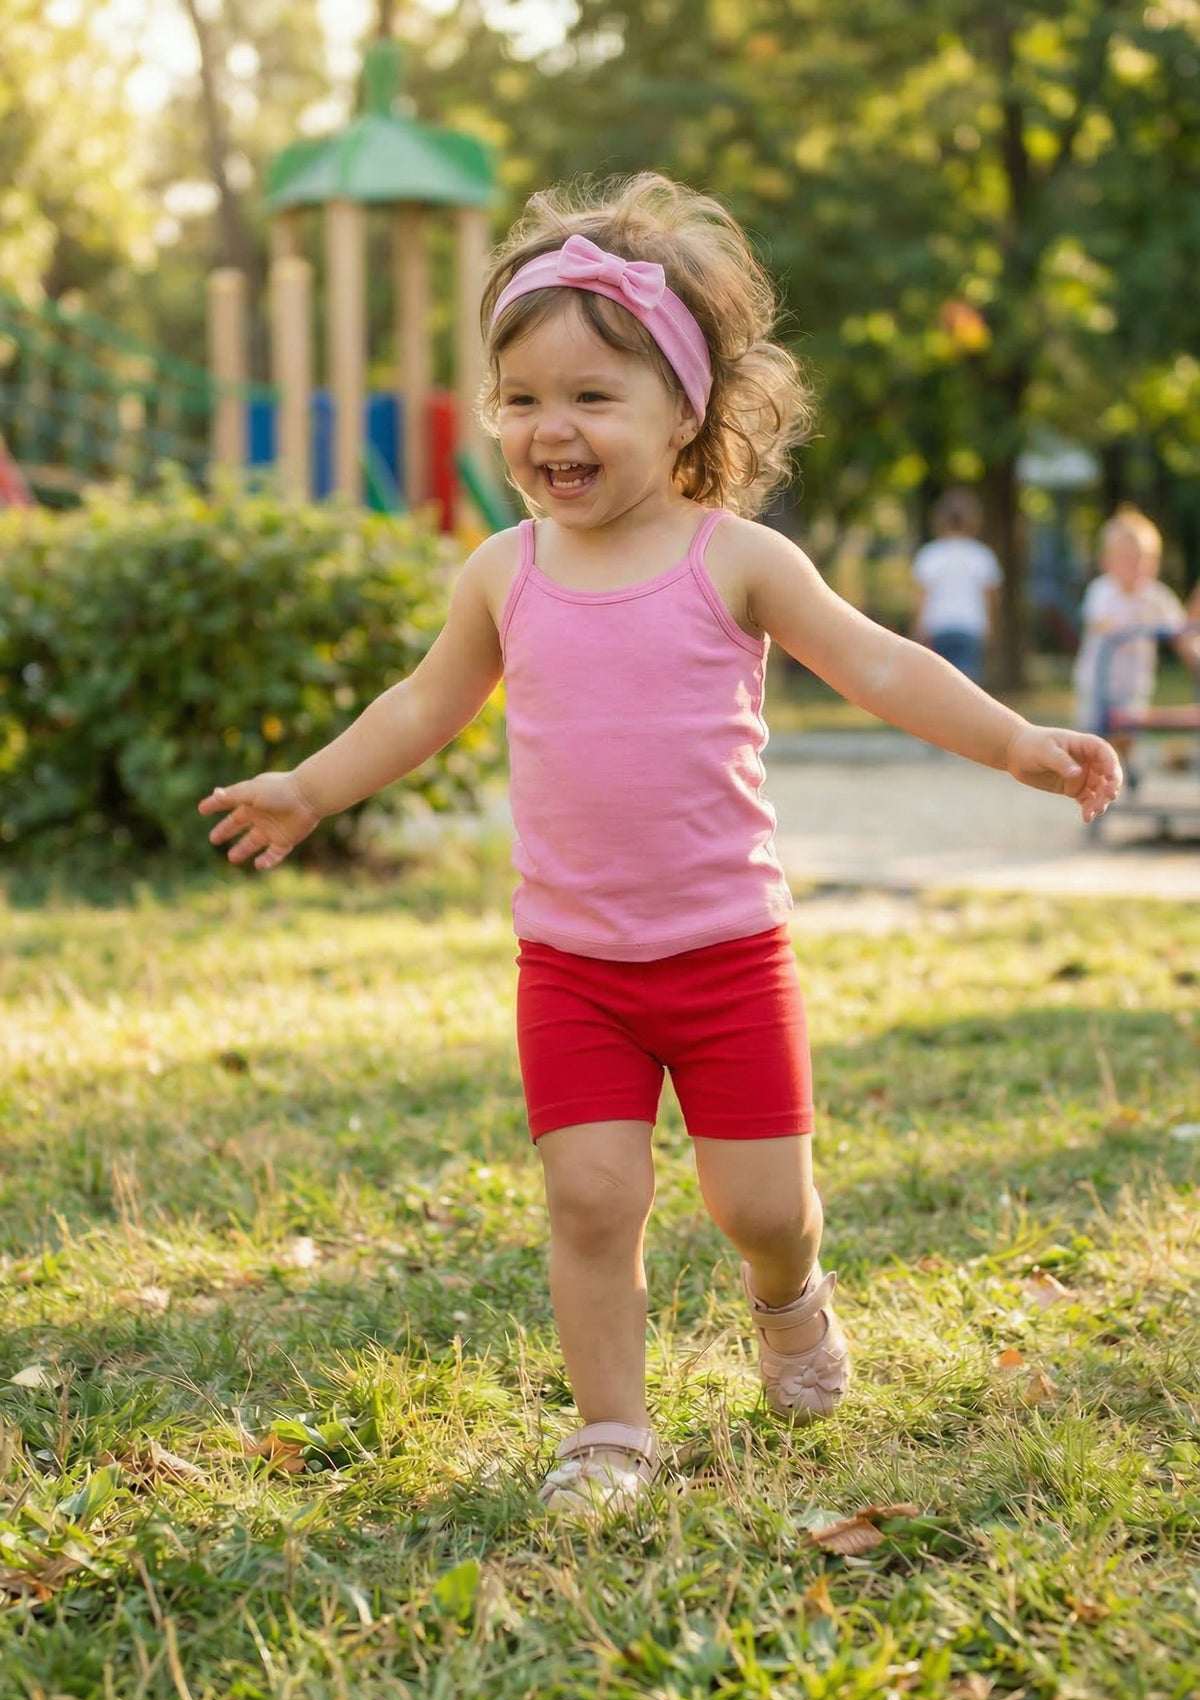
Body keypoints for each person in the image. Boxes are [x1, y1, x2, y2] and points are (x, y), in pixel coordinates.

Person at [199, 173, 1122, 1514]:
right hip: (572, 964)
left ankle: (792, 1299)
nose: (548, 427)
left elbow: (877, 662)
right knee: (590, 1194)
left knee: (760, 1206)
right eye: (521, 397)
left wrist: (1014, 742)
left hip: (728, 955)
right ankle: (611, 1431)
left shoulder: (733, 559)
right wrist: (309, 789)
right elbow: (421, 705)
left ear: (683, 411)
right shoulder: (503, 574)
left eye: (590, 397)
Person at [1071, 508, 1192, 777]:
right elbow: (1098, 622)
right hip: (1099, 683)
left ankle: (1126, 767)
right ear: (1107, 561)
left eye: (1144, 559)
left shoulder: (1155, 596)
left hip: (1133, 683)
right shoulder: (1103, 590)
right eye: (1127, 559)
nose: (1136, 566)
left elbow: (1182, 632)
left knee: (1128, 732)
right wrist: (1134, 628)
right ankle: (1099, 775)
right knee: (1095, 736)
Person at [909, 488, 1002, 684]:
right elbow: (990, 597)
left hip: (938, 624)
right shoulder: (981, 555)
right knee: (966, 682)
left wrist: (917, 627)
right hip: (970, 625)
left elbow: (922, 596)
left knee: (939, 681)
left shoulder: (931, 554)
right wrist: (990, 626)